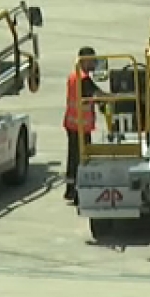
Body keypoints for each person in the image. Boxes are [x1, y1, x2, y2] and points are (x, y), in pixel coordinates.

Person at [63, 46, 100, 203]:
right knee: (81, 160)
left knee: (73, 158)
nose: (95, 63)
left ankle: (70, 190)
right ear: (84, 61)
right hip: (80, 126)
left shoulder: (74, 76)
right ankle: (78, 191)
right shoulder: (84, 79)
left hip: (72, 123)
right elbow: (97, 94)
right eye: (92, 60)